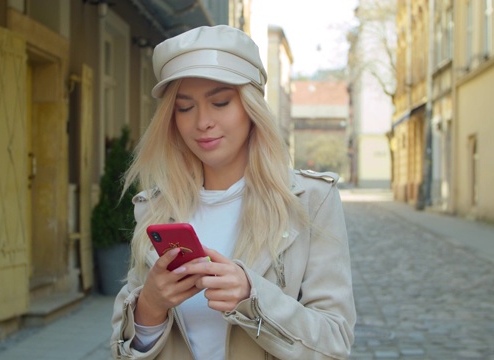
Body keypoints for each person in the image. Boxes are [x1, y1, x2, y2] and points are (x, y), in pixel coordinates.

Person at [110, 25, 356, 360]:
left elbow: (334, 343)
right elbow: (123, 352)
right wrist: (149, 308)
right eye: (184, 107)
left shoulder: (310, 200)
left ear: (251, 107)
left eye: (220, 102)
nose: (202, 122)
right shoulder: (155, 209)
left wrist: (253, 297)